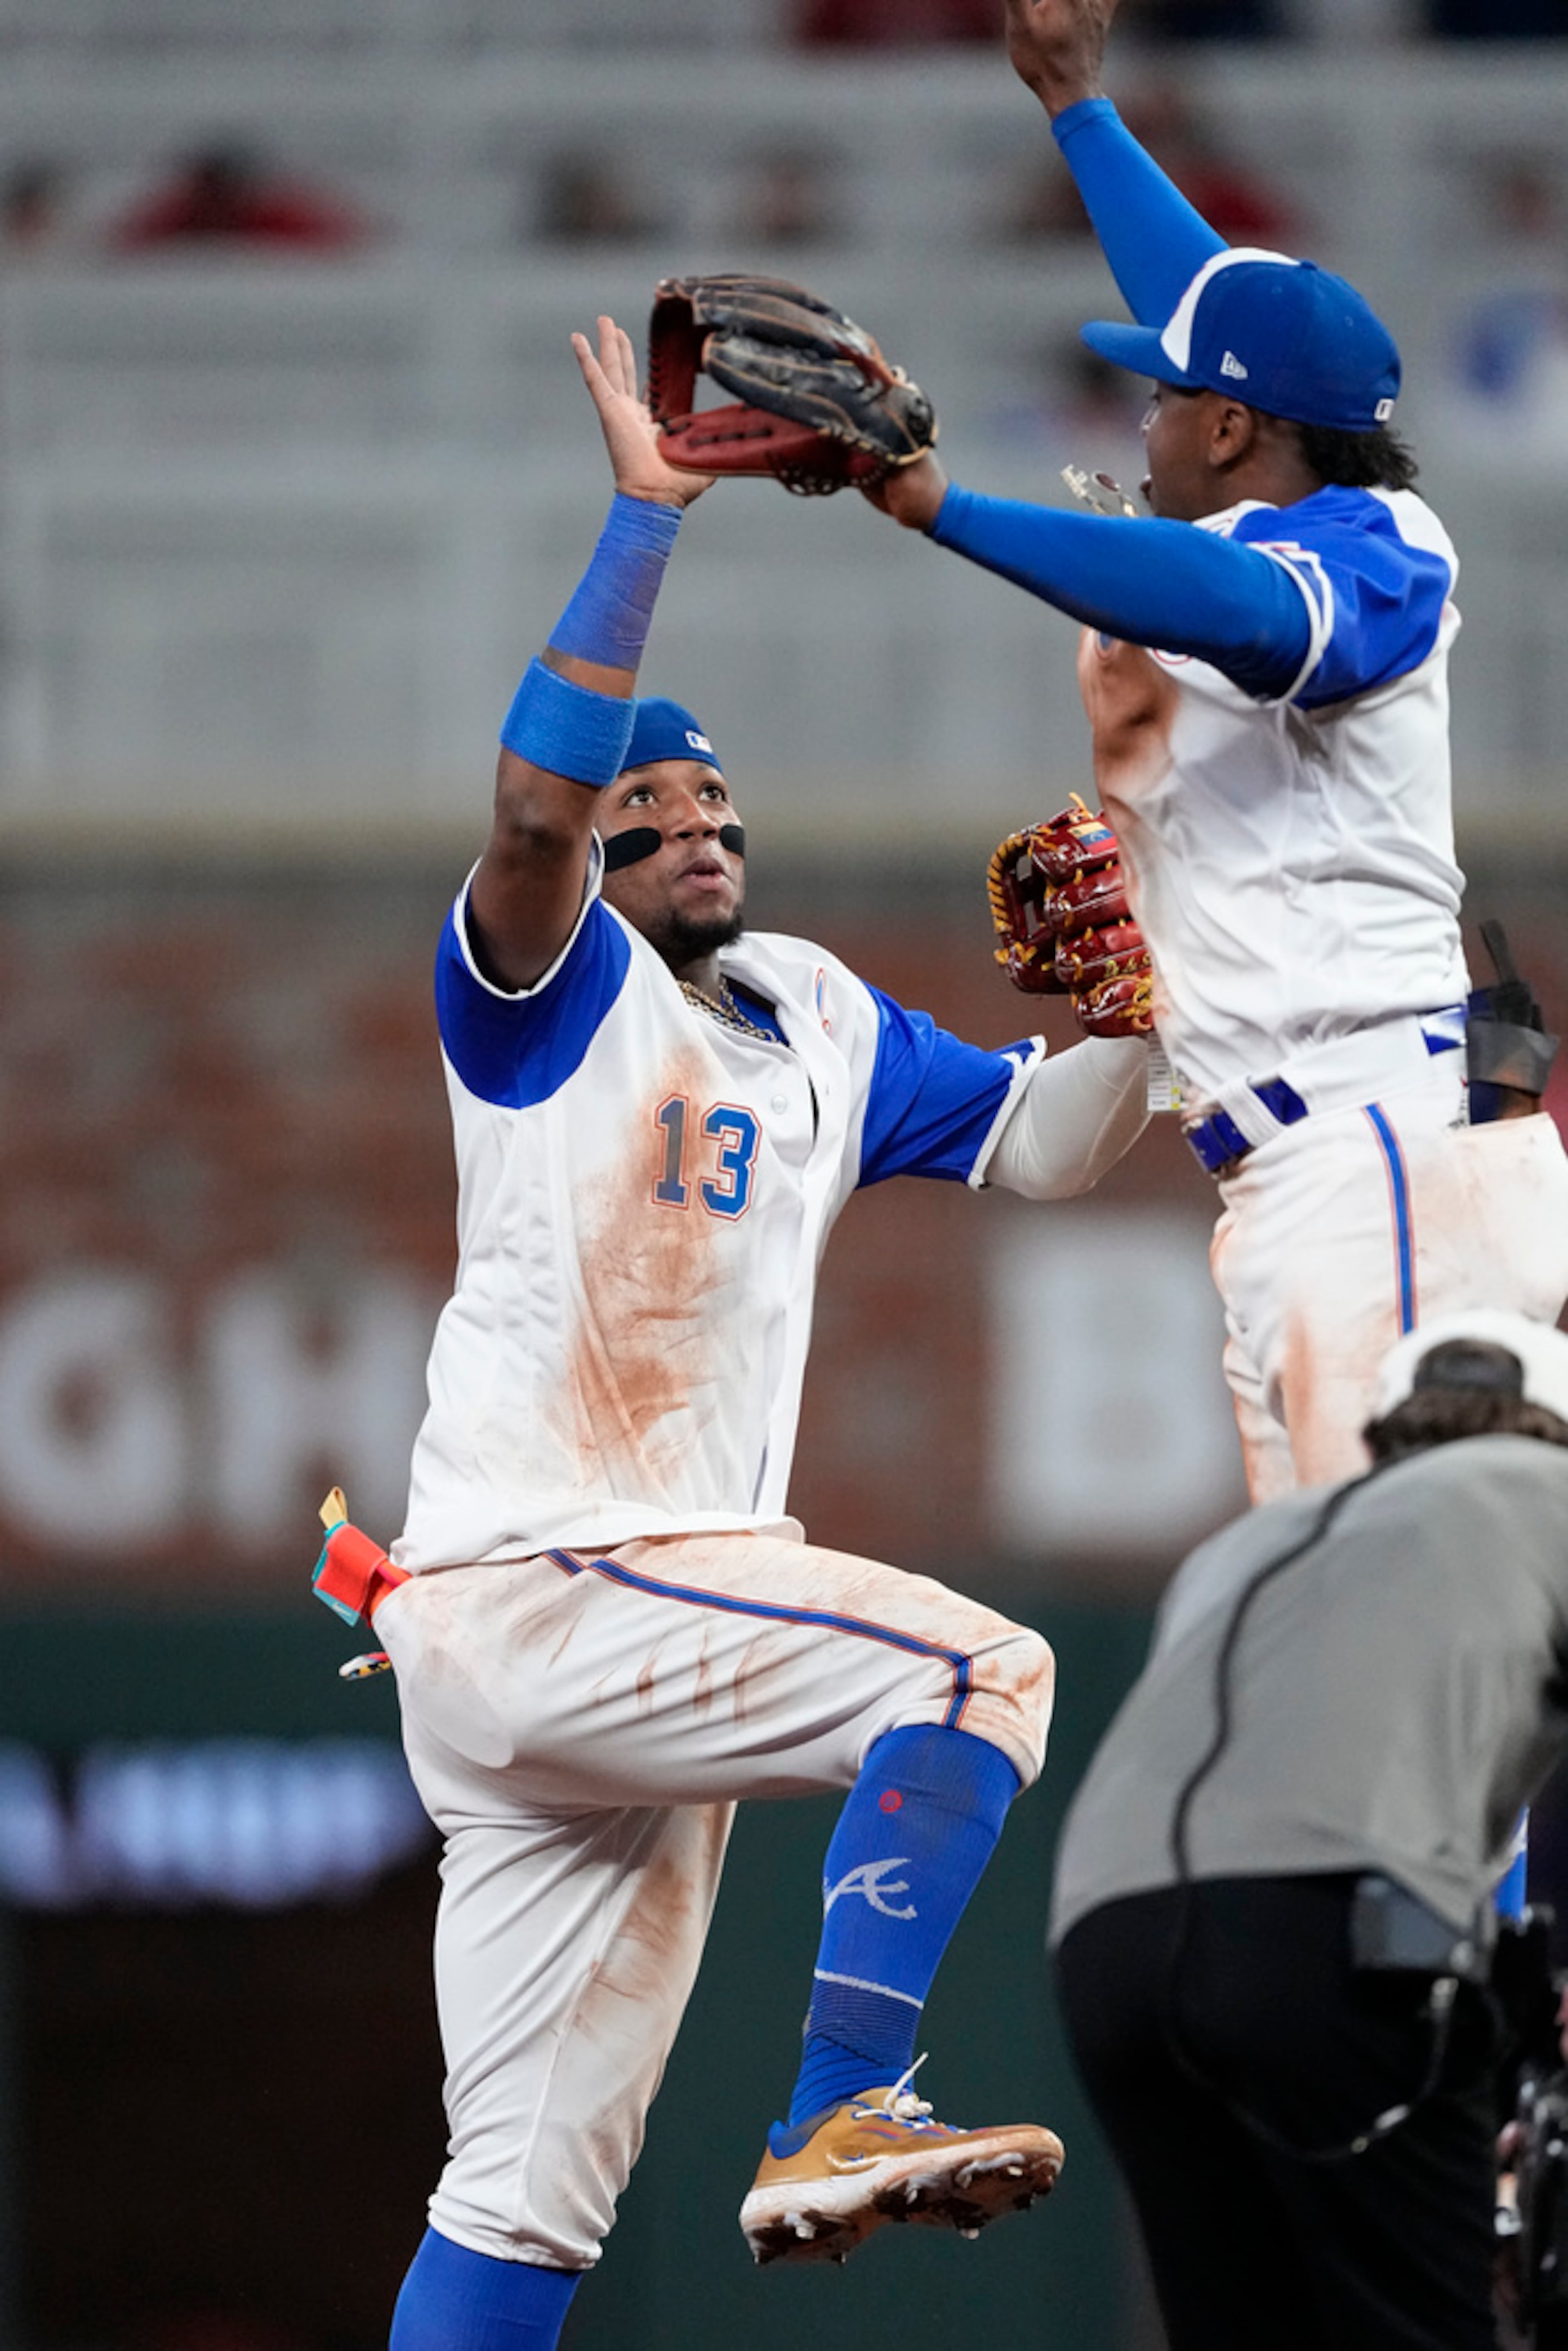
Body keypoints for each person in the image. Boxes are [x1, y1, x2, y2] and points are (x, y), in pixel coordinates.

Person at [371, 313, 1152, 2351]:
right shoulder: (542, 991)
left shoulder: (809, 1010)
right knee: (979, 1668)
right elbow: (531, 819)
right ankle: (837, 2102)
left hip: (608, 1645)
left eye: (711, 793)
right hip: (553, 1576)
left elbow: (1053, 1147)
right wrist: (643, 532)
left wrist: (1145, 1019)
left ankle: (805, 2120)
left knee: (523, 2210)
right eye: (651, 798)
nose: (691, 818)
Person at [863, 0, 1568, 1502]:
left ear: (1238, 429)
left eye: (1171, 392)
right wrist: (1077, 109)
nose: (1150, 411)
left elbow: (1248, 608)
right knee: (1348, 1635)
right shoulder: (1276, 482)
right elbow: (1217, 308)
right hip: (1295, 1166)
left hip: (1380, 1147)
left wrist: (953, 510)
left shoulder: (1381, 548)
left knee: (1423, 1628)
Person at [1049, 1305, 1568, 2351]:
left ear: (1380, 1434)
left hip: (1106, 1950)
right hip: (1328, 1929)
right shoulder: (1553, 1501)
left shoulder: (1237, 1549)